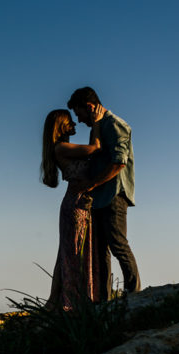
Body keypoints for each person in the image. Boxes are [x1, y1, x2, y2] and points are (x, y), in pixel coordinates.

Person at [67, 86, 140, 296]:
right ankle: (103, 300)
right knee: (100, 251)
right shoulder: (98, 127)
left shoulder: (115, 124)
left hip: (114, 194)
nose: (79, 120)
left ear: (89, 107)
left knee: (118, 245)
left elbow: (119, 162)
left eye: (79, 114)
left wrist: (92, 184)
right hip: (100, 196)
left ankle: (134, 294)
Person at [40, 109, 106, 309]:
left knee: (71, 252)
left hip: (81, 202)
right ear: (61, 126)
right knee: (73, 253)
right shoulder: (61, 148)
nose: (75, 125)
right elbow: (95, 147)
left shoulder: (64, 147)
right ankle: (69, 302)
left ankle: (59, 302)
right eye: (70, 122)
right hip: (76, 204)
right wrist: (96, 122)